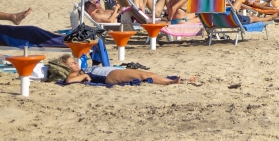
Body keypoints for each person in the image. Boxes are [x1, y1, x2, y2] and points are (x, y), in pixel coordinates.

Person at [52, 54, 195, 86]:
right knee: (141, 75)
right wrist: (83, 77)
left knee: (147, 74)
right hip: (108, 75)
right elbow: (69, 80)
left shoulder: (80, 69)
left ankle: (171, 80)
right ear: (67, 67)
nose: (76, 64)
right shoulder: (74, 74)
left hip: (109, 71)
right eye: (72, 63)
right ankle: (170, 83)